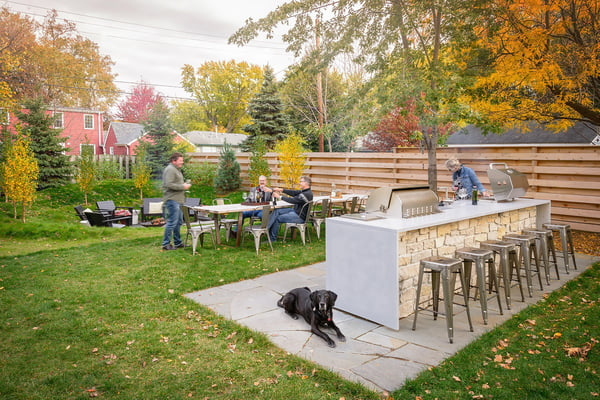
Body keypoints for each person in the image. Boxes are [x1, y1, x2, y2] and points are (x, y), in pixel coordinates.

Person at [268, 176, 314, 242]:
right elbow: (294, 193)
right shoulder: (305, 192)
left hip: (299, 217)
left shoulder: (306, 194)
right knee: (276, 211)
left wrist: (279, 197)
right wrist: (282, 190)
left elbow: (292, 200)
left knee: (277, 218)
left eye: (301, 182)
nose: (299, 183)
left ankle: (272, 239)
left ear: (306, 183)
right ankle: (266, 229)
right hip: (296, 211)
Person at [161, 152, 192, 250]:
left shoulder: (176, 170)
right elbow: (168, 184)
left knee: (178, 222)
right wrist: (183, 186)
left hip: (178, 200)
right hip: (172, 200)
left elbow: (174, 183)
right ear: (174, 161)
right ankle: (166, 244)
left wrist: (183, 184)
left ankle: (177, 243)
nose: (182, 162)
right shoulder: (170, 170)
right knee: (172, 222)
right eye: (180, 161)